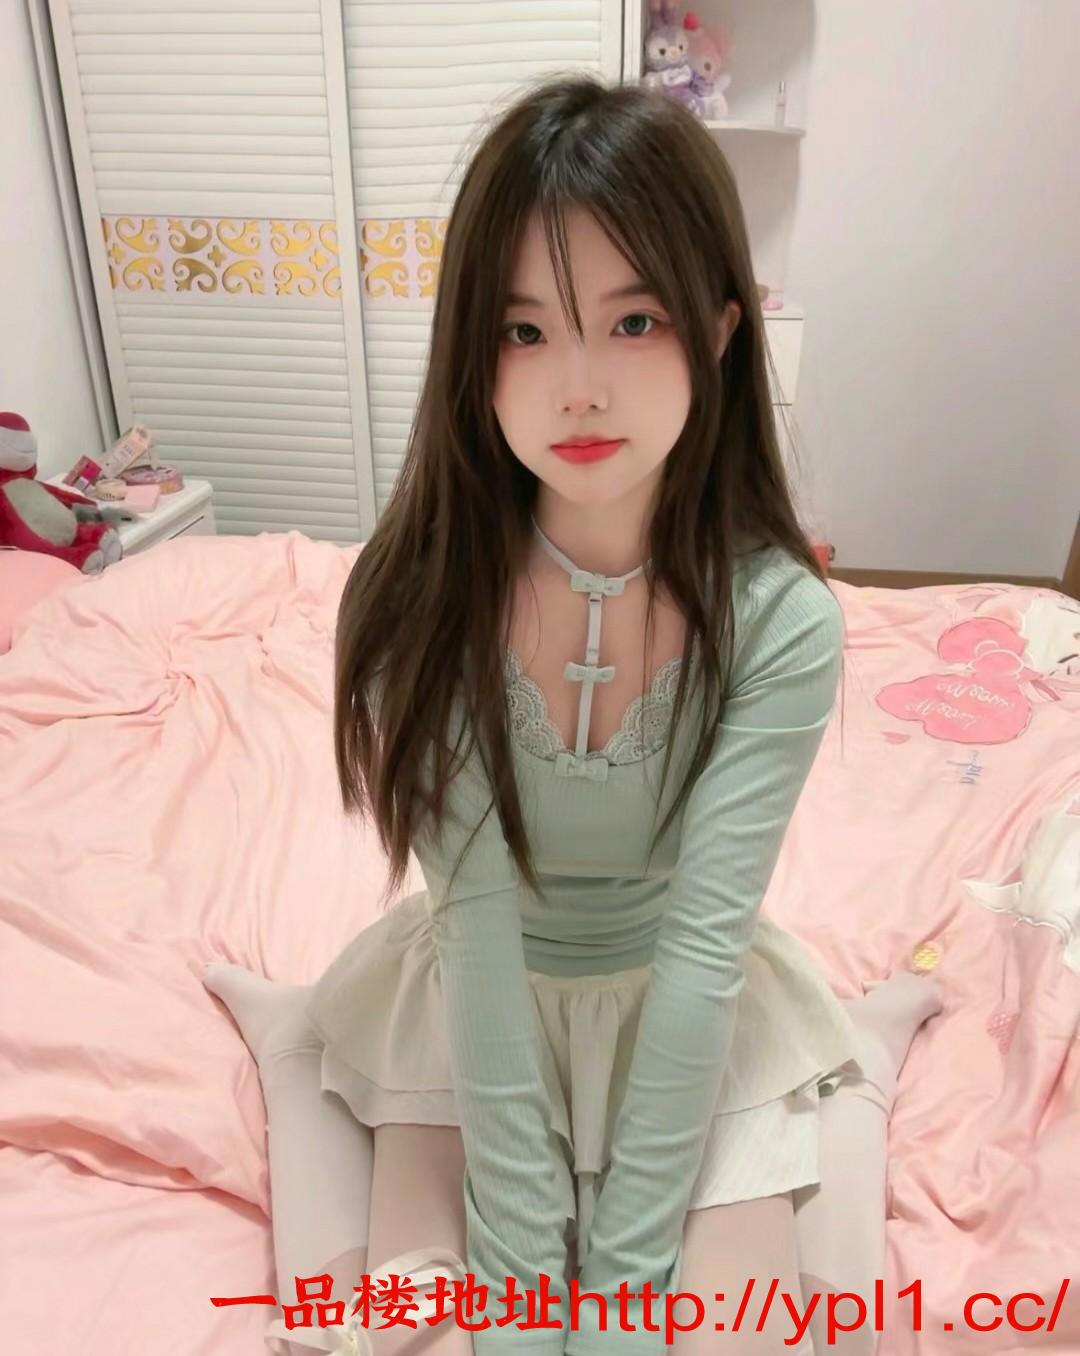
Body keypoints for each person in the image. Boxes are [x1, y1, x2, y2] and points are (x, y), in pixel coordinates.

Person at [203, 75, 943, 1356]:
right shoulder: (421, 601)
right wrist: (523, 1274)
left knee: (736, 1335)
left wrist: (624, 1284)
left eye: (633, 320)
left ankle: (857, 1052)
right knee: (403, 1323)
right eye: (525, 331)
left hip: (689, 1003)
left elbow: (705, 945)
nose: (579, 388)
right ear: (472, 353)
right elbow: (479, 925)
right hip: (473, 999)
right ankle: (297, 1033)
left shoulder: (780, 623)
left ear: (719, 331)